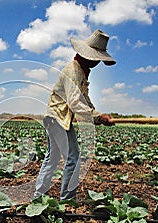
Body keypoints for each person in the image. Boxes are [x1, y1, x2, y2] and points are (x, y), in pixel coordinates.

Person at [34, 30, 116, 201]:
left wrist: (99, 116)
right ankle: (68, 199)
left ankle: (39, 196)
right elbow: (74, 101)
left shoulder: (82, 71)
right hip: (57, 118)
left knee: (53, 157)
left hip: (57, 118)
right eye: (97, 58)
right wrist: (96, 117)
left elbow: (84, 99)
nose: (98, 62)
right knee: (73, 157)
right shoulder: (74, 70)